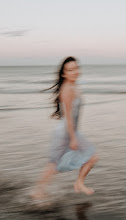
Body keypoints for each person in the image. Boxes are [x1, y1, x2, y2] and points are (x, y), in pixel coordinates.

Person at [31, 56, 98, 201]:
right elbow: (67, 116)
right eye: (70, 70)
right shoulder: (67, 89)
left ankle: (77, 183)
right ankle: (38, 192)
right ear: (64, 73)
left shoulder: (73, 86)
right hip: (66, 132)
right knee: (56, 163)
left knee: (57, 163)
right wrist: (73, 138)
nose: (74, 72)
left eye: (76, 68)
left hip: (70, 130)